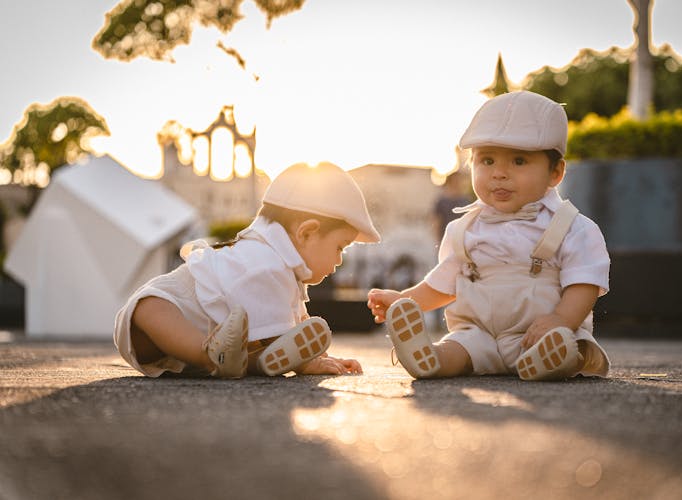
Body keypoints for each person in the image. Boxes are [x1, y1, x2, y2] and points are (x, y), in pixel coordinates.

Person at [367, 91, 611, 381]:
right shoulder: (464, 229)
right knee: (458, 347)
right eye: (487, 161)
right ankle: (431, 358)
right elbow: (443, 283)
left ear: (555, 172)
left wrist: (560, 320)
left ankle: (552, 360)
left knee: (569, 348)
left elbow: (584, 284)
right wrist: (405, 300)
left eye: (519, 161)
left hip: (539, 333)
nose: (499, 174)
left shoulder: (572, 227)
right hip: (479, 334)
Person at [114, 162, 380, 379]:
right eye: (340, 247)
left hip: (202, 350)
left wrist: (320, 357)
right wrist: (304, 362)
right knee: (149, 307)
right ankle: (211, 356)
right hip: (154, 323)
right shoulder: (264, 260)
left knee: (253, 353)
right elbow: (282, 335)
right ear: (307, 233)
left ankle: (235, 361)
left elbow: (294, 328)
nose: (340, 260)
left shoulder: (286, 272)